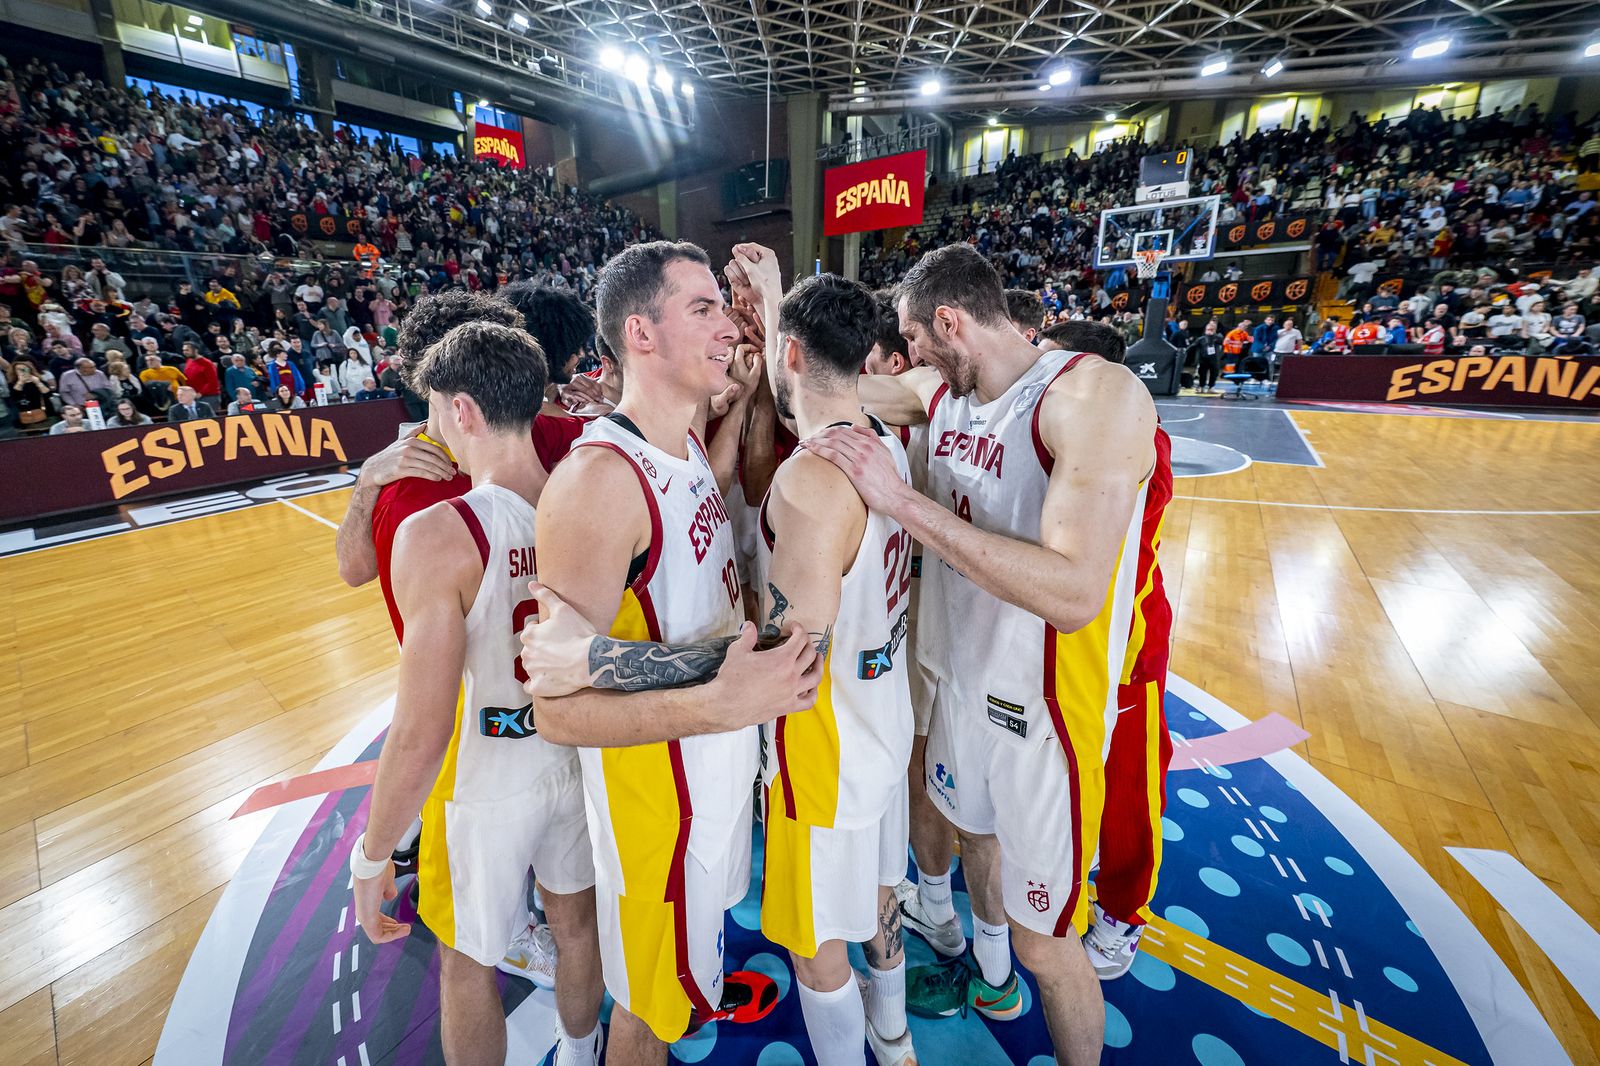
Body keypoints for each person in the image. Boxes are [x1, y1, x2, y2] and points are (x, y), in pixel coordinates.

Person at [807, 242, 1160, 1066]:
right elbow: (828, 388)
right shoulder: (942, 390)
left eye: (915, 340)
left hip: (1046, 716)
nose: (908, 358)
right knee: (975, 845)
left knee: (1048, 944)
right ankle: (990, 979)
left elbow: (1075, 594)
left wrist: (898, 501)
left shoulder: (1094, 396)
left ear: (951, 322)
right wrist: (768, 320)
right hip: (961, 684)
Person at [515, 241, 821, 1063]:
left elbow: (701, 495)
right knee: (649, 1012)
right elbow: (557, 706)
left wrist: (751, 399)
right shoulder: (596, 482)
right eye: (704, 309)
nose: (727, 325)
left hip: (711, 766)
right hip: (662, 802)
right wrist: (716, 702)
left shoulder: (683, 444)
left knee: (681, 987)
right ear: (641, 335)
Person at [350, 321, 605, 1066]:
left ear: (461, 410)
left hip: (485, 780)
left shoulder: (439, 530)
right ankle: (581, 1052)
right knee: (577, 928)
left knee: (466, 964)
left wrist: (374, 857)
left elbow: (421, 730)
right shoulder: (586, 502)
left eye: (433, 410)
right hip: (576, 756)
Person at [728, 261, 919, 1065]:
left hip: (823, 745)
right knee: (878, 891)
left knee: (813, 941)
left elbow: (790, 654)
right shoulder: (886, 447)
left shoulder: (810, 480)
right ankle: (896, 1037)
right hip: (883, 716)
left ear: (793, 355)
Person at [1038, 321, 1174, 980]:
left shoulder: (1136, 439)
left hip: (1127, 650)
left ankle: (1123, 912)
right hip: (1068, 642)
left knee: (1130, 787)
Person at [1187, 320, 1225, 392]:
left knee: (1214, 373)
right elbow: (1192, 346)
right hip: (1203, 359)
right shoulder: (1201, 339)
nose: (1210, 331)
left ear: (1214, 330)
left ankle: (1211, 387)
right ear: (1205, 330)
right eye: (1208, 329)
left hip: (1214, 359)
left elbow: (1224, 344)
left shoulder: (1218, 338)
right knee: (1202, 373)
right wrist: (1184, 351)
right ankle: (1201, 386)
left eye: (1212, 329)